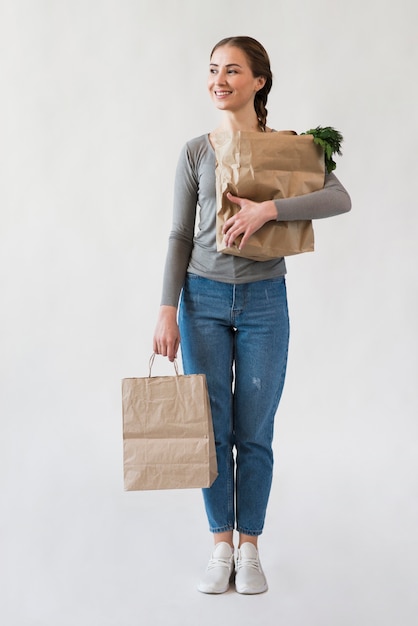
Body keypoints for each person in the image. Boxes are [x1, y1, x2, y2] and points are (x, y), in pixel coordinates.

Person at [153, 36, 351, 595]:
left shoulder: (290, 148)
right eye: (213, 70)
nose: (219, 80)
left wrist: (271, 208)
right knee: (211, 429)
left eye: (232, 70)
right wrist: (167, 308)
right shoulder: (196, 151)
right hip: (202, 300)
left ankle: (250, 548)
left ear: (258, 81)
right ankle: (220, 544)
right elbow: (178, 234)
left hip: (266, 300)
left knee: (254, 432)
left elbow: (339, 198)